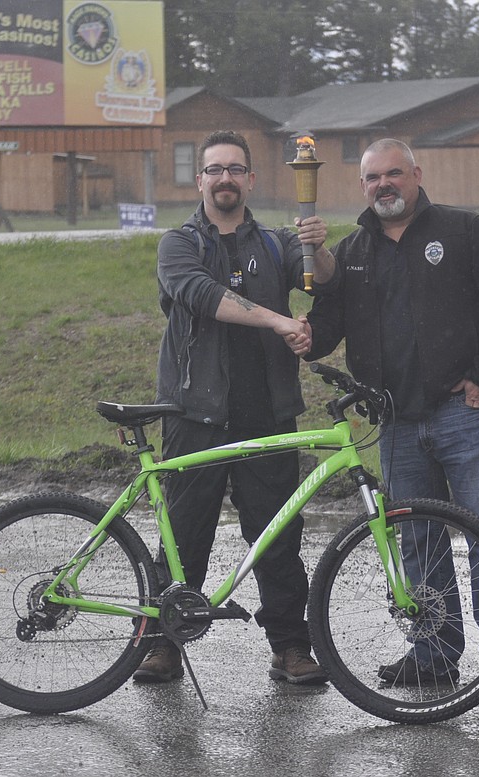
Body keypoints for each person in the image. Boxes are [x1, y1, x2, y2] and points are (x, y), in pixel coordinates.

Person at [303, 138, 479, 692]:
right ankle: (433, 653)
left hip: (463, 415)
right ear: (362, 187)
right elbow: (325, 328)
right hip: (396, 423)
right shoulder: (355, 251)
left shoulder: (463, 231)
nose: (384, 184)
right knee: (417, 541)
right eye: (372, 177)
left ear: (416, 175)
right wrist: (300, 330)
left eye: (394, 174)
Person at [137, 129, 336, 686]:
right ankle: (162, 645)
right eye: (214, 169)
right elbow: (202, 296)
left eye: (235, 169)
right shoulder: (178, 245)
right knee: (183, 536)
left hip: (267, 412)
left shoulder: (276, 242)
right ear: (200, 179)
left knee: (276, 539)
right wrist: (276, 319)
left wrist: (318, 247)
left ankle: (291, 649)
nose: (224, 178)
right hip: (193, 414)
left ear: (250, 179)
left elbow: (324, 283)